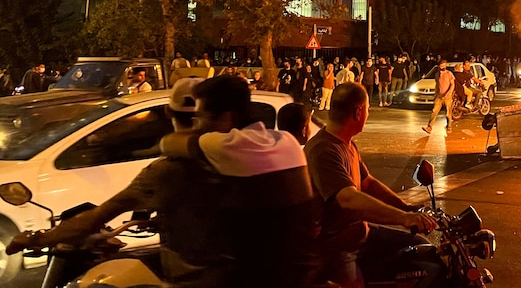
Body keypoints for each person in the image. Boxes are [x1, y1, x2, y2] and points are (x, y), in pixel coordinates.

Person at [5, 78, 237, 286]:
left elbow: (92, 220)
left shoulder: (167, 170)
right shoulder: (233, 160)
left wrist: (35, 238)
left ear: (168, 112)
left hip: (192, 279)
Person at [160, 75, 318, 286]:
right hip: (303, 270)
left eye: (201, 117)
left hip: (263, 278)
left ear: (229, 118)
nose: (197, 125)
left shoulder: (226, 145)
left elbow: (168, 143)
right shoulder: (286, 140)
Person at [304, 82, 437, 287]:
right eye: (367, 109)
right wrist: (403, 218)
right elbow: (349, 199)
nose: (368, 113)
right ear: (358, 112)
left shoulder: (346, 143)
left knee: (422, 252)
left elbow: (367, 183)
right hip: (338, 246)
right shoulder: (323, 150)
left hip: (360, 234)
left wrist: (408, 208)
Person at [423, 59, 455, 135]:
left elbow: (453, 84)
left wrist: (449, 92)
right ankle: (429, 127)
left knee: (448, 113)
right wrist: (436, 94)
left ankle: (449, 126)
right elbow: (437, 85)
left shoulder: (449, 73)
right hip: (439, 96)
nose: (443, 66)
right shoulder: (437, 74)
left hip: (447, 96)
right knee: (434, 111)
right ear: (439, 66)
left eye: (445, 64)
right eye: (442, 65)